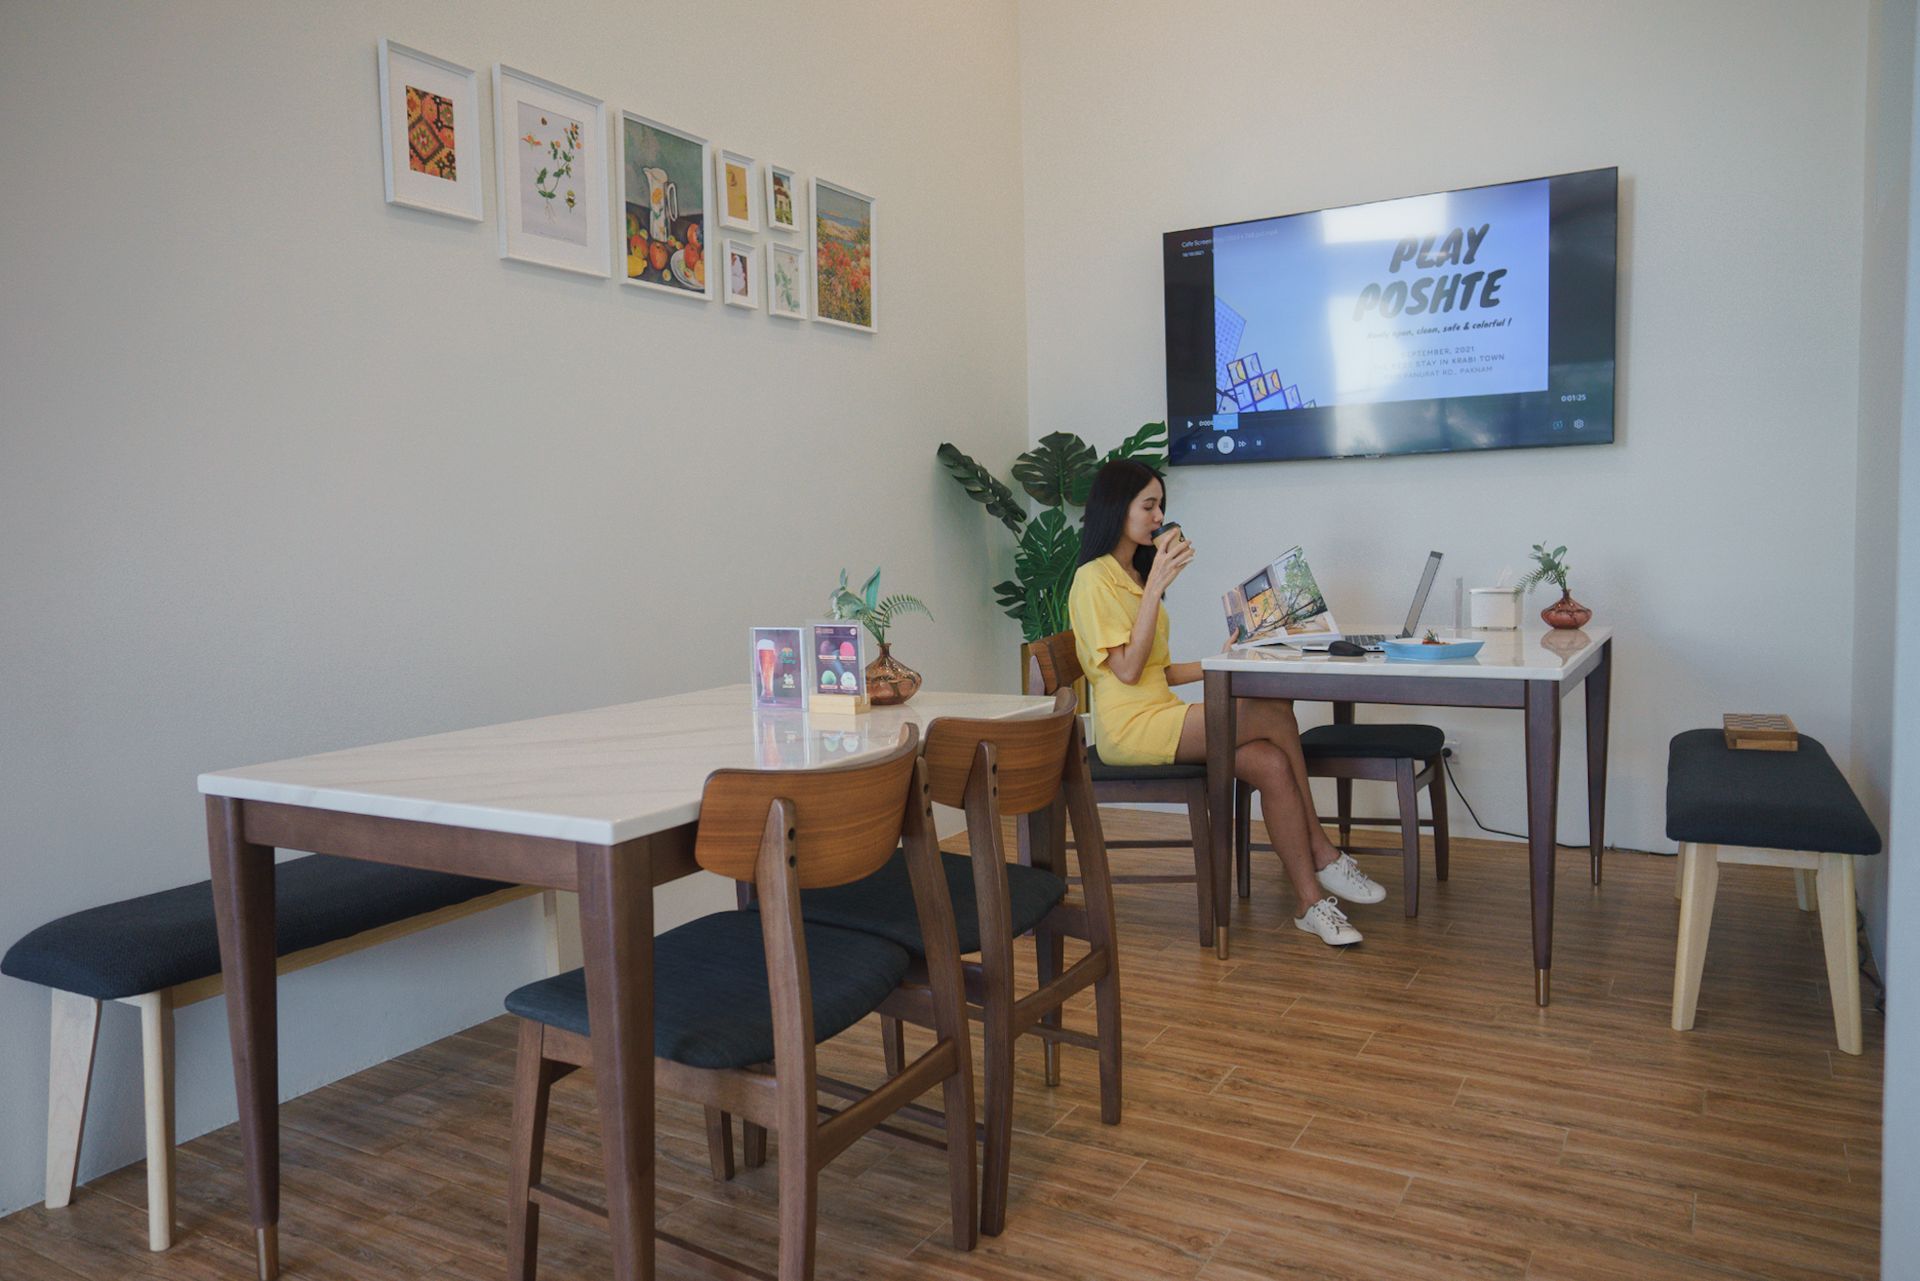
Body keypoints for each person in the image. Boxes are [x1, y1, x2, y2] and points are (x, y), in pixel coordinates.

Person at [1065, 459, 1384, 946]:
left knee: (1270, 762)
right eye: (1148, 506)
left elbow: (1159, 671)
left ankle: (1310, 903)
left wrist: (1223, 655)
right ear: (1116, 508)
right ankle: (1322, 848)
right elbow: (1127, 671)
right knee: (1273, 710)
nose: (1158, 517)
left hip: (1163, 712)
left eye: (1161, 507)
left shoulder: (1133, 574)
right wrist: (1156, 588)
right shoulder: (1093, 579)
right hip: (1129, 729)